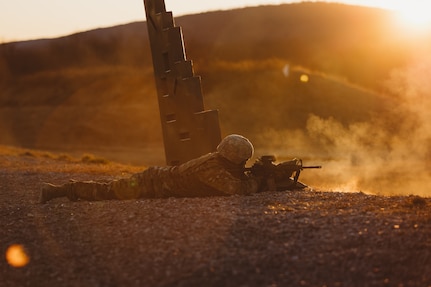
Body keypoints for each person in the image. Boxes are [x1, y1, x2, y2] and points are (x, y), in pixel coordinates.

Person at [39, 134, 264, 203]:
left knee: (109, 189)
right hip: (151, 184)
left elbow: (232, 178)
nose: (243, 164)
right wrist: (260, 182)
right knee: (107, 192)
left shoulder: (216, 160)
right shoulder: (211, 168)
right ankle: (59, 190)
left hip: (155, 179)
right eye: (243, 160)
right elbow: (235, 189)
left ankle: (60, 190)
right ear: (234, 157)